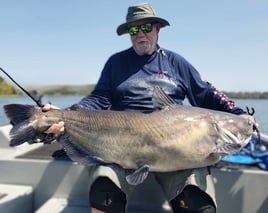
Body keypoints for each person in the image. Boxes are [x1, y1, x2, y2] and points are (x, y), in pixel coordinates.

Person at [44, 3, 255, 213]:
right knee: (104, 193)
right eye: (134, 30)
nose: (140, 34)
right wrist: (66, 115)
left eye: (146, 28)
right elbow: (98, 99)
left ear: (157, 29)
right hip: (121, 147)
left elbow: (207, 93)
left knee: (199, 205)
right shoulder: (116, 63)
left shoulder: (176, 63)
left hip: (176, 151)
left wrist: (238, 114)